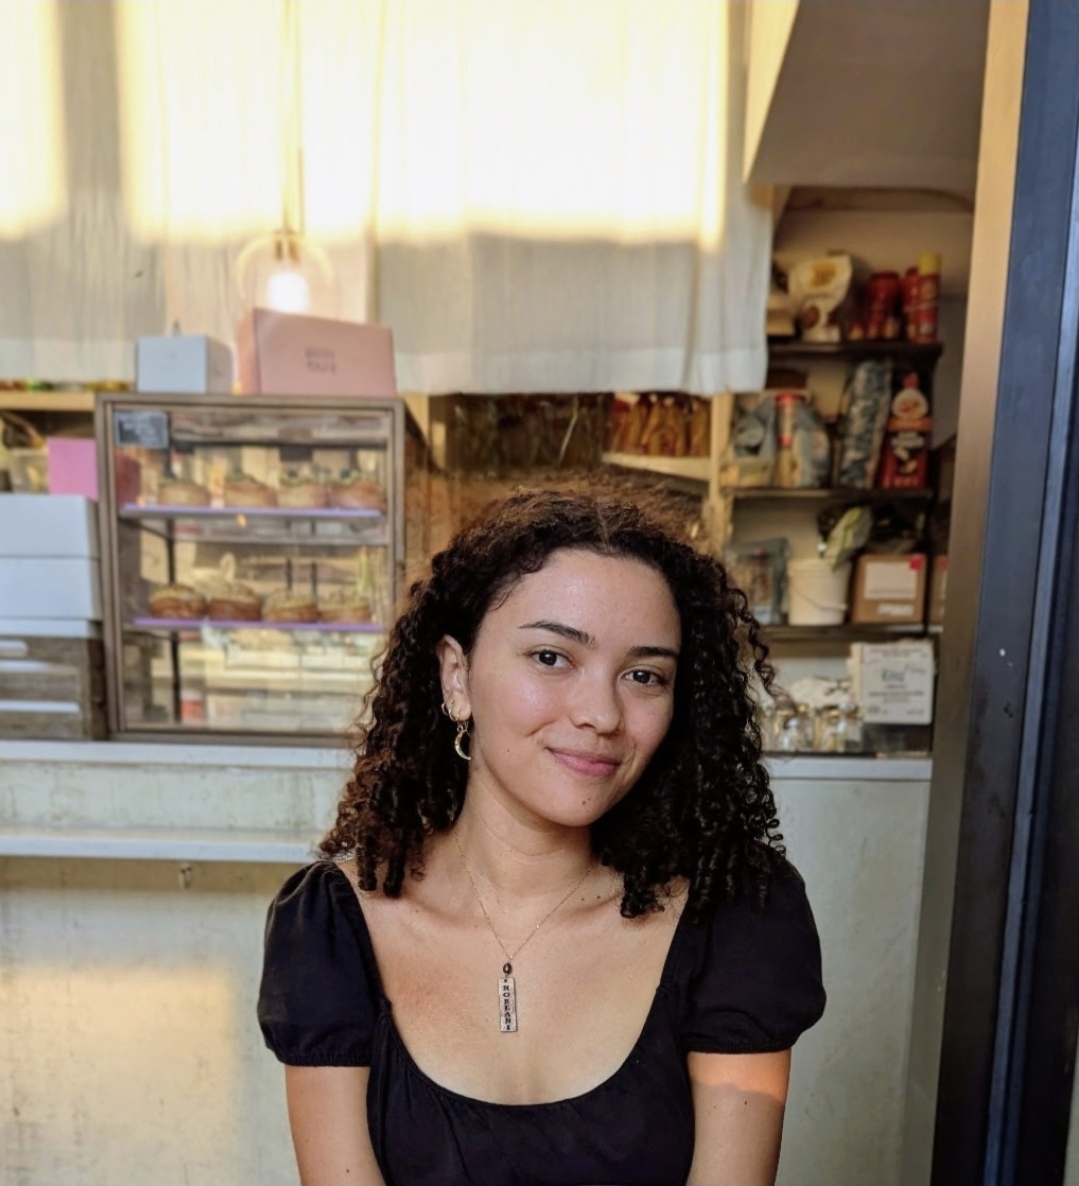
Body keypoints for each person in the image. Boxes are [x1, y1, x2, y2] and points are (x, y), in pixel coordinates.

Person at [258, 488, 825, 1186]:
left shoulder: (735, 915)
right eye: (551, 657)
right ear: (457, 676)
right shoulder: (331, 925)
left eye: (644, 675)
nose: (601, 714)